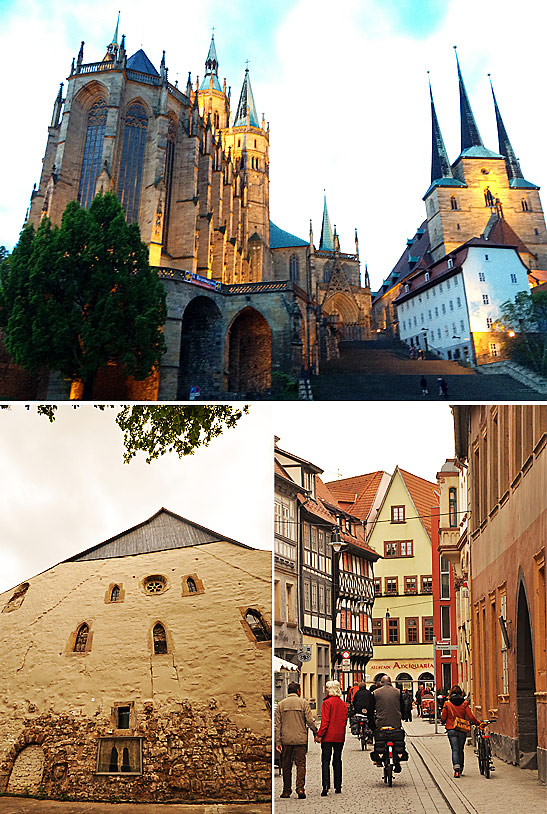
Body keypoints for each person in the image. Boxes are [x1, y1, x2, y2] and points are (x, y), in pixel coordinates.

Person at [275, 681, 318, 799]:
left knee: (286, 765)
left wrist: (278, 741)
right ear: (298, 691)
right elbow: (310, 721)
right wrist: (316, 732)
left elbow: (277, 724)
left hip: (286, 739)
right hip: (300, 739)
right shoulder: (303, 703)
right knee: (300, 765)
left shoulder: (281, 705)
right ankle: (300, 788)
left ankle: (286, 790)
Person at [315, 680, 348, 796]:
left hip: (328, 737)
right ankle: (338, 786)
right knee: (337, 760)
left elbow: (325, 722)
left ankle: (325, 786)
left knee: (325, 761)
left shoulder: (327, 703)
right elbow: (345, 720)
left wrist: (319, 735)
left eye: (327, 688)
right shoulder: (343, 704)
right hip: (339, 736)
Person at [440, 684, 481, 778]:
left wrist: (446, 719)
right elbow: (470, 717)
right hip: (462, 729)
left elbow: (443, 717)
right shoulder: (465, 703)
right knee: (460, 749)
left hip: (451, 729)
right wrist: (478, 723)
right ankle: (461, 768)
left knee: (454, 749)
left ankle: (456, 770)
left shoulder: (447, 703)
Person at [368, 675, 407, 771]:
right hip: (395, 724)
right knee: (398, 740)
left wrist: (372, 724)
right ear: (391, 682)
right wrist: (402, 717)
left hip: (381, 723)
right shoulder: (398, 692)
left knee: (379, 741)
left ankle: (379, 760)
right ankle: (397, 761)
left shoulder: (376, 693)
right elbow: (403, 707)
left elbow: (371, 709)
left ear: (381, 683)